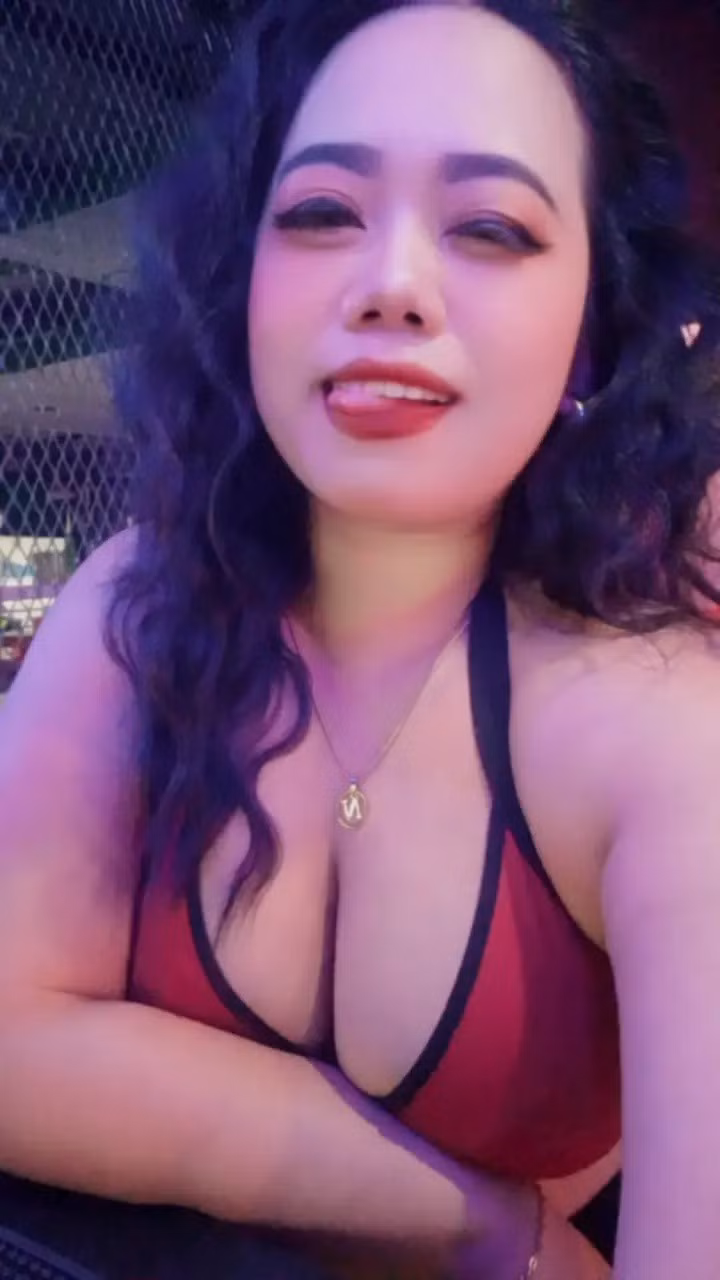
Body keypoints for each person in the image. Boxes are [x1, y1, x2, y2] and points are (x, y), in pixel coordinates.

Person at [1, 1, 719, 1277]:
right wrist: (487, 1225)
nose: (391, 284)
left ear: (593, 333)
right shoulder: (137, 611)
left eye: (492, 228)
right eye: (322, 212)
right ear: (242, 284)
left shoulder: (661, 730)